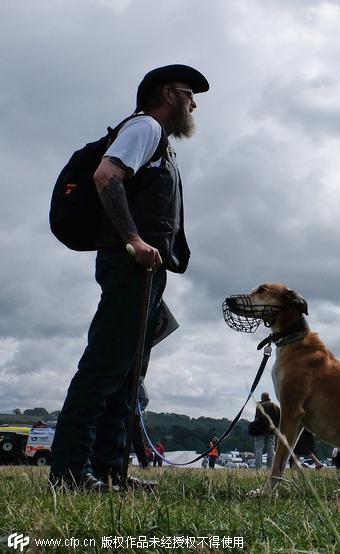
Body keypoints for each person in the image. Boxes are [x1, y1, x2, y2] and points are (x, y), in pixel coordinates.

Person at [49, 64, 209, 492]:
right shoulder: (145, 128)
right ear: (167, 94)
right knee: (103, 369)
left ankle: (109, 471)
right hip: (132, 264)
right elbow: (106, 175)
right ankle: (69, 474)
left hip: (145, 269)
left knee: (127, 376)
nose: (194, 102)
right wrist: (135, 240)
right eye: (188, 92)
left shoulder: (158, 141)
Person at [251, 392, 280, 469]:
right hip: (272, 431)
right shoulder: (276, 406)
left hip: (260, 431)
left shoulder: (260, 406)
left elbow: (257, 419)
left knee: (259, 449)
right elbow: (279, 420)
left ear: (262, 398)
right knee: (271, 450)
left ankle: (258, 468)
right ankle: (270, 468)